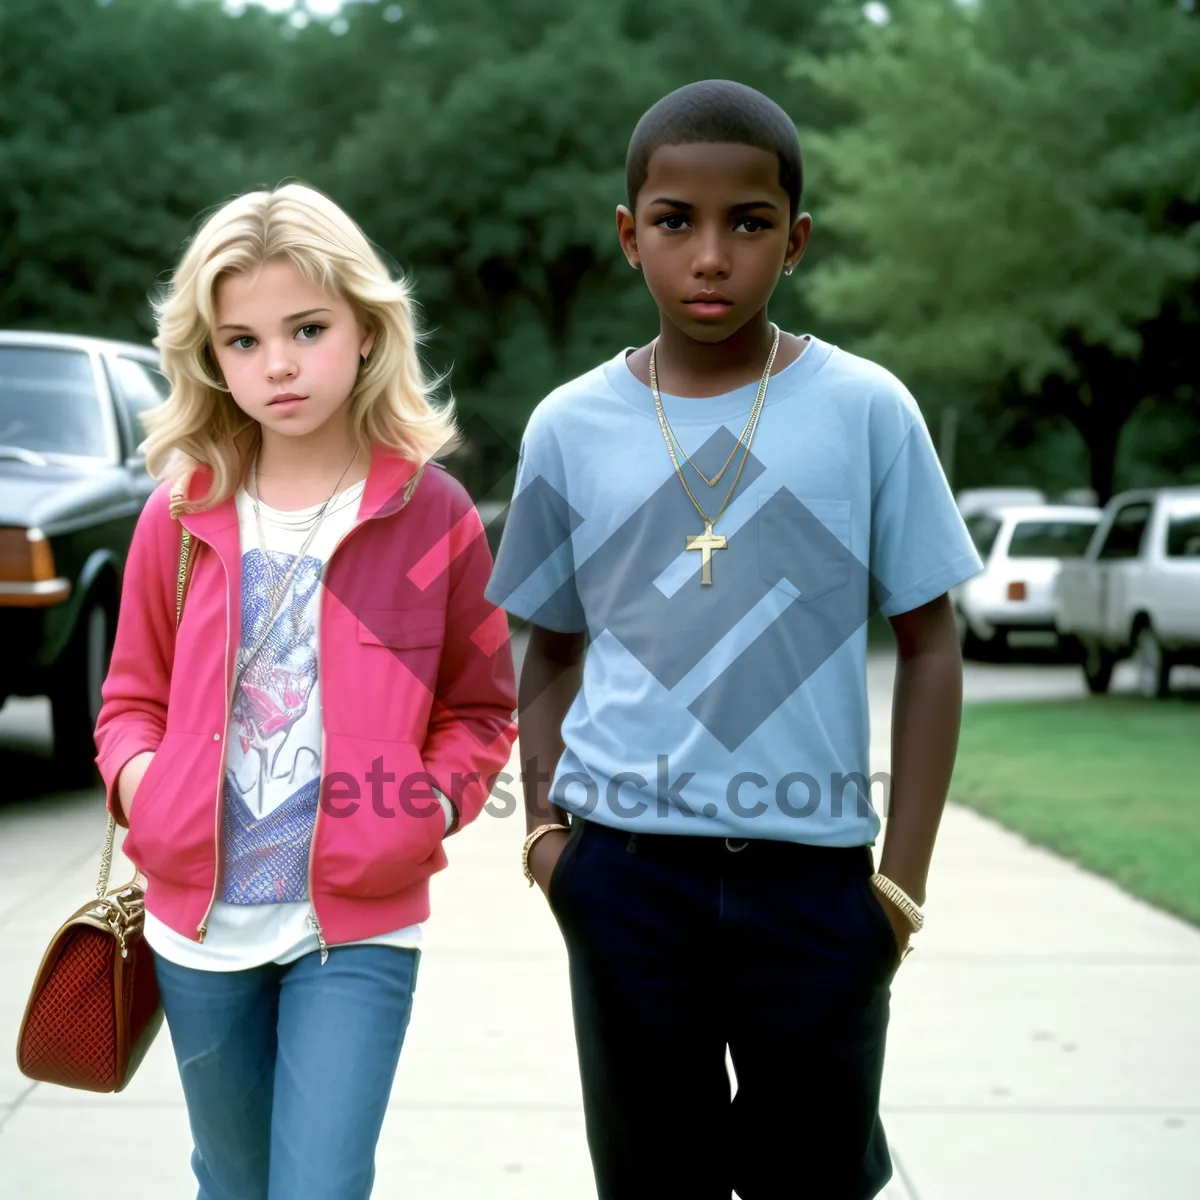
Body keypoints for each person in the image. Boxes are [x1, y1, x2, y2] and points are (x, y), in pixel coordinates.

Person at [485, 80, 984, 1200]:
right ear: (629, 237)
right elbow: (551, 653)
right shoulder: (570, 425)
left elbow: (933, 645)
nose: (710, 255)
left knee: (816, 1180)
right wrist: (548, 843)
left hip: (816, 891)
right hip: (623, 880)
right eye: (675, 222)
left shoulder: (865, 410)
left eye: (748, 224)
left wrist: (897, 888)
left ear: (794, 240)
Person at [93, 182, 517, 1200]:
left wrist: (425, 810)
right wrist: (145, 789)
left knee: (321, 1186)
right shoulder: (180, 512)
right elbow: (128, 702)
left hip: (359, 925)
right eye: (241, 341)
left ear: (367, 332)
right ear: (211, 356)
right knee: (233, 1183)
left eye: (307, 328)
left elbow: (481, 706)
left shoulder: (434, 513)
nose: (276, 364)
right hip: (197, 927)